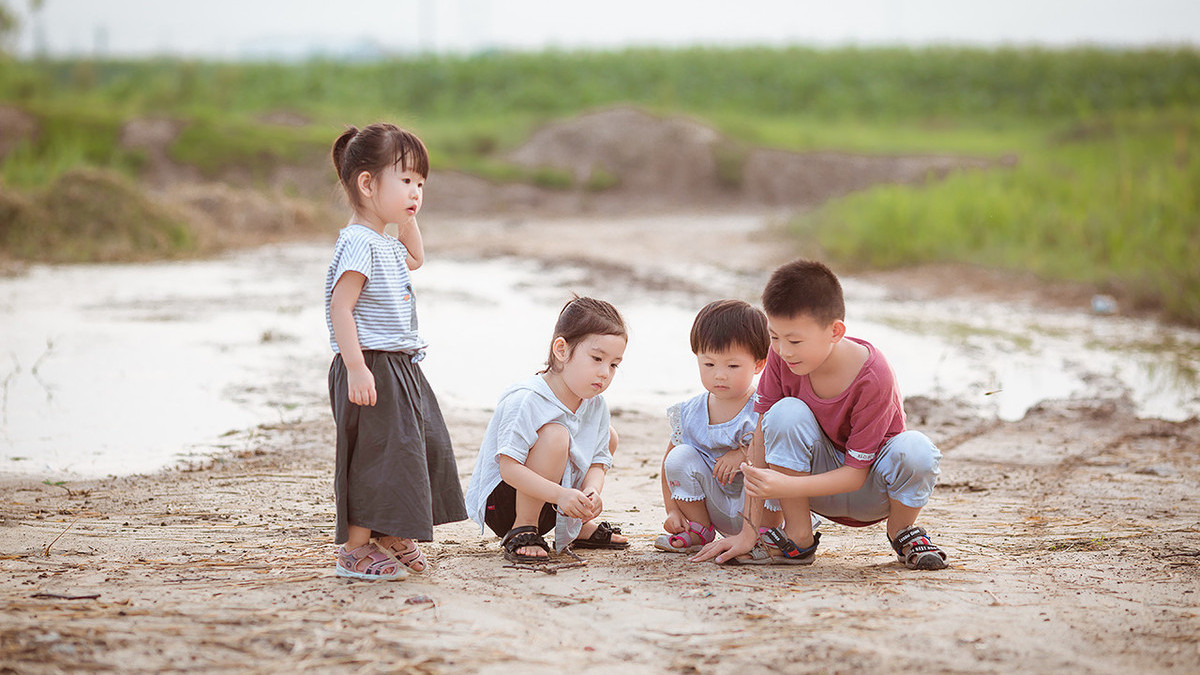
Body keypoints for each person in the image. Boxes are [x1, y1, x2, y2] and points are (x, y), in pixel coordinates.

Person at [692, 259, 947, 570]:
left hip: (871, 489)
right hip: (810, 489)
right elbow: (760, 436)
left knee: (916, 449)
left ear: (835, 331)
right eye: (774, 337)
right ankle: (798, 538)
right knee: (784, 413)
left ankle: (901, 531)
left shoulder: (874, 375)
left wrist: (785, 486)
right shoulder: (781, 358)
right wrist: (748, 532)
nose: (784, 351)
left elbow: (856, 475)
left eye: (795, 341)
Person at [325, 123, 467, 581]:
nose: (416, 192)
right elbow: (340, 308)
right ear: (367, 184)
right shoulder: (357, 243)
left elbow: (416, 258)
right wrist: (356, 368)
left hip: (399, 365)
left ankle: (389, 534)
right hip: (370, 364)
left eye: (421, 184)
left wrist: (405, 215)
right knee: (375, 454)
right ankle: (355, 548)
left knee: (410, 448)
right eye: (405, 181)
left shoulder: (384, 241)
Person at [464, 296, 630, 563]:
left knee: (608, 434)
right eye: (597, 358)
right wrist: (560, 495)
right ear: (562, 350)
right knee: (556, 435)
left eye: (613, 365)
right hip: (507, 500)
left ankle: (577, 525)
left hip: (556, 499)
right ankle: (524, 527)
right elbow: (509, 468)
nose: (605, 373)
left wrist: (591, 493)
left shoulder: (595, 404)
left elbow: (599, 461)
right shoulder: (527, 399)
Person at [655, 300, 769, 553]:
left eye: (732, 366)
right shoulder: (689, 413)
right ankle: (699, 529)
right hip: (714, 504)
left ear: (759, 364)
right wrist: (672, 510)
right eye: (709, 364)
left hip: (758, 510)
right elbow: (667, 465)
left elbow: (782, 452)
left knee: (775, 460)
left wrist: (742, 454)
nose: (719, 374)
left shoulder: (764, 406)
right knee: (679, 456)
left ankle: (765, 535)